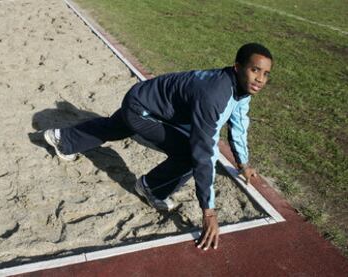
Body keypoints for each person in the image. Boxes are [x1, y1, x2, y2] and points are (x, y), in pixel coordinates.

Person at [44, 42, 273, 251]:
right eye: (255, 70)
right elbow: (203, 152)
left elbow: (239, 124)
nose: (260, 79)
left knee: (117, 127)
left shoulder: (241, 90)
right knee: (189, 153)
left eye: (265, 74)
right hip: (143, 107)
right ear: (237, 67)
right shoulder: (215, 95)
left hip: (146, 99)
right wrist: (209, 211)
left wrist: (243, 163)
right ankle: (151, 188)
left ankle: (62, 139)